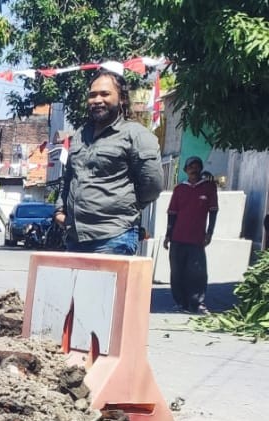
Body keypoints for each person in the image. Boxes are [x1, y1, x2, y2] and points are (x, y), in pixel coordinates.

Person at [53, 69, 164, 255]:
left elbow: (152, 184)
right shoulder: (81, 134)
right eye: (92, 95)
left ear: (121, 98)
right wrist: (59, 210)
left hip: (114, 237)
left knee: (104, 286)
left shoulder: (136, 135)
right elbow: (69, 177)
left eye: (105, 94)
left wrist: (126, 206)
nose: (97, 100)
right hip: (75, 238)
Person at [164, 155, 218, 313]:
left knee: (197, 273)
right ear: (186, 170)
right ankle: (181, 303)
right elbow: (172, 213)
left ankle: (197, 304)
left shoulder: (208, 187)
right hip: (177, 238)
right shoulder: (179, 189)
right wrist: (168, 235)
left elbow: (213, 211)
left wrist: (210, 233)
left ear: (200, 169)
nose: (193, 169)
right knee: (177, 272)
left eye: (196, 166)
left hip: (197, 239)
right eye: (190, 167)